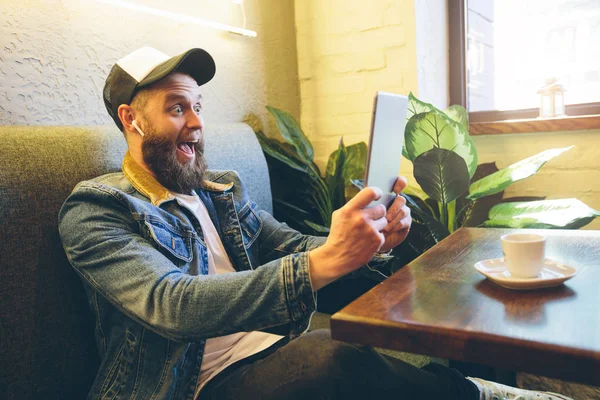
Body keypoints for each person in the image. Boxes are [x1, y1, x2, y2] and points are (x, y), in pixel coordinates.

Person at [58, 46, 574, 400]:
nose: (195, 122)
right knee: (336, 362)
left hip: (266, 346)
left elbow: (292, 246)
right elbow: (171, 304)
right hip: (186, 384)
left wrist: (366, 239)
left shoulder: (218, 191)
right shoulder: (97, 210)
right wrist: (323, 261)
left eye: (197, 106)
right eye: (176, 108)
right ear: (132, 119)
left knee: (395, 338)